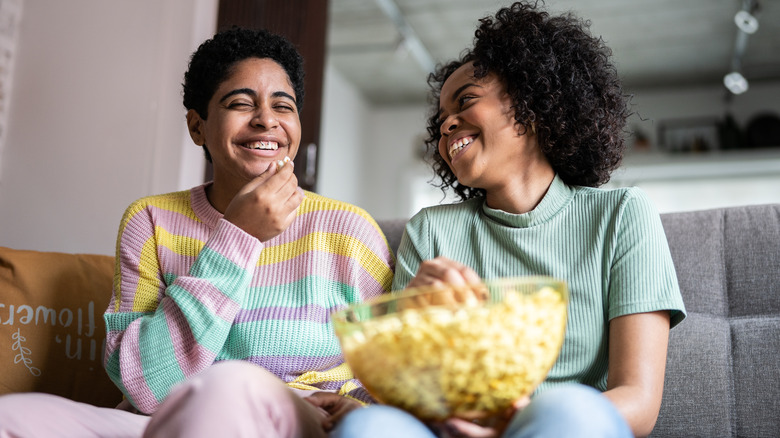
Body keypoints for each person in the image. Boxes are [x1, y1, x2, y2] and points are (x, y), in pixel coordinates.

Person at [0, 27, 394, 437]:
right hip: (170, 418)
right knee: (10, 418)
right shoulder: (150, 220)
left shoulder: (350, 231)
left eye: (284, 106)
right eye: (241, 103)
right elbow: (148, 389)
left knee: (230, 384)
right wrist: (237, 236)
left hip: (295, 420)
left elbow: (395, 377)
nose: (266, 120)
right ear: (198, 127)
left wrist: (355, 406)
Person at [331, 2, 685, 438]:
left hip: (568, 426)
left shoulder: (622, 216)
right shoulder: (430, 232)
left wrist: (510, 428)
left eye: (465, 102)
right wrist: (416, 318)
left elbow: (638, 401)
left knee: (570, 408)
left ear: (530, 102)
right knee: (371, 426)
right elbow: (409, 397)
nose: (446, 127)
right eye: (440, 121)